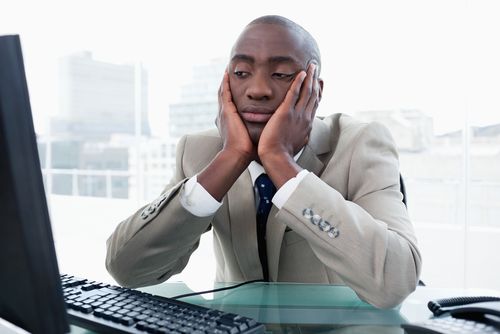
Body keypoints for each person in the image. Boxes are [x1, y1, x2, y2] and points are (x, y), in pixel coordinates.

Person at [106, 15, 422, 309]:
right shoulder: (199, 151)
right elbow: (128, 270)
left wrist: (281, 163)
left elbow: (396, 282)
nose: (258, 90)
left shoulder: (360, 144)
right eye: (242, 73)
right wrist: (230, 158)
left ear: (315, 89)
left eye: (281, 74)